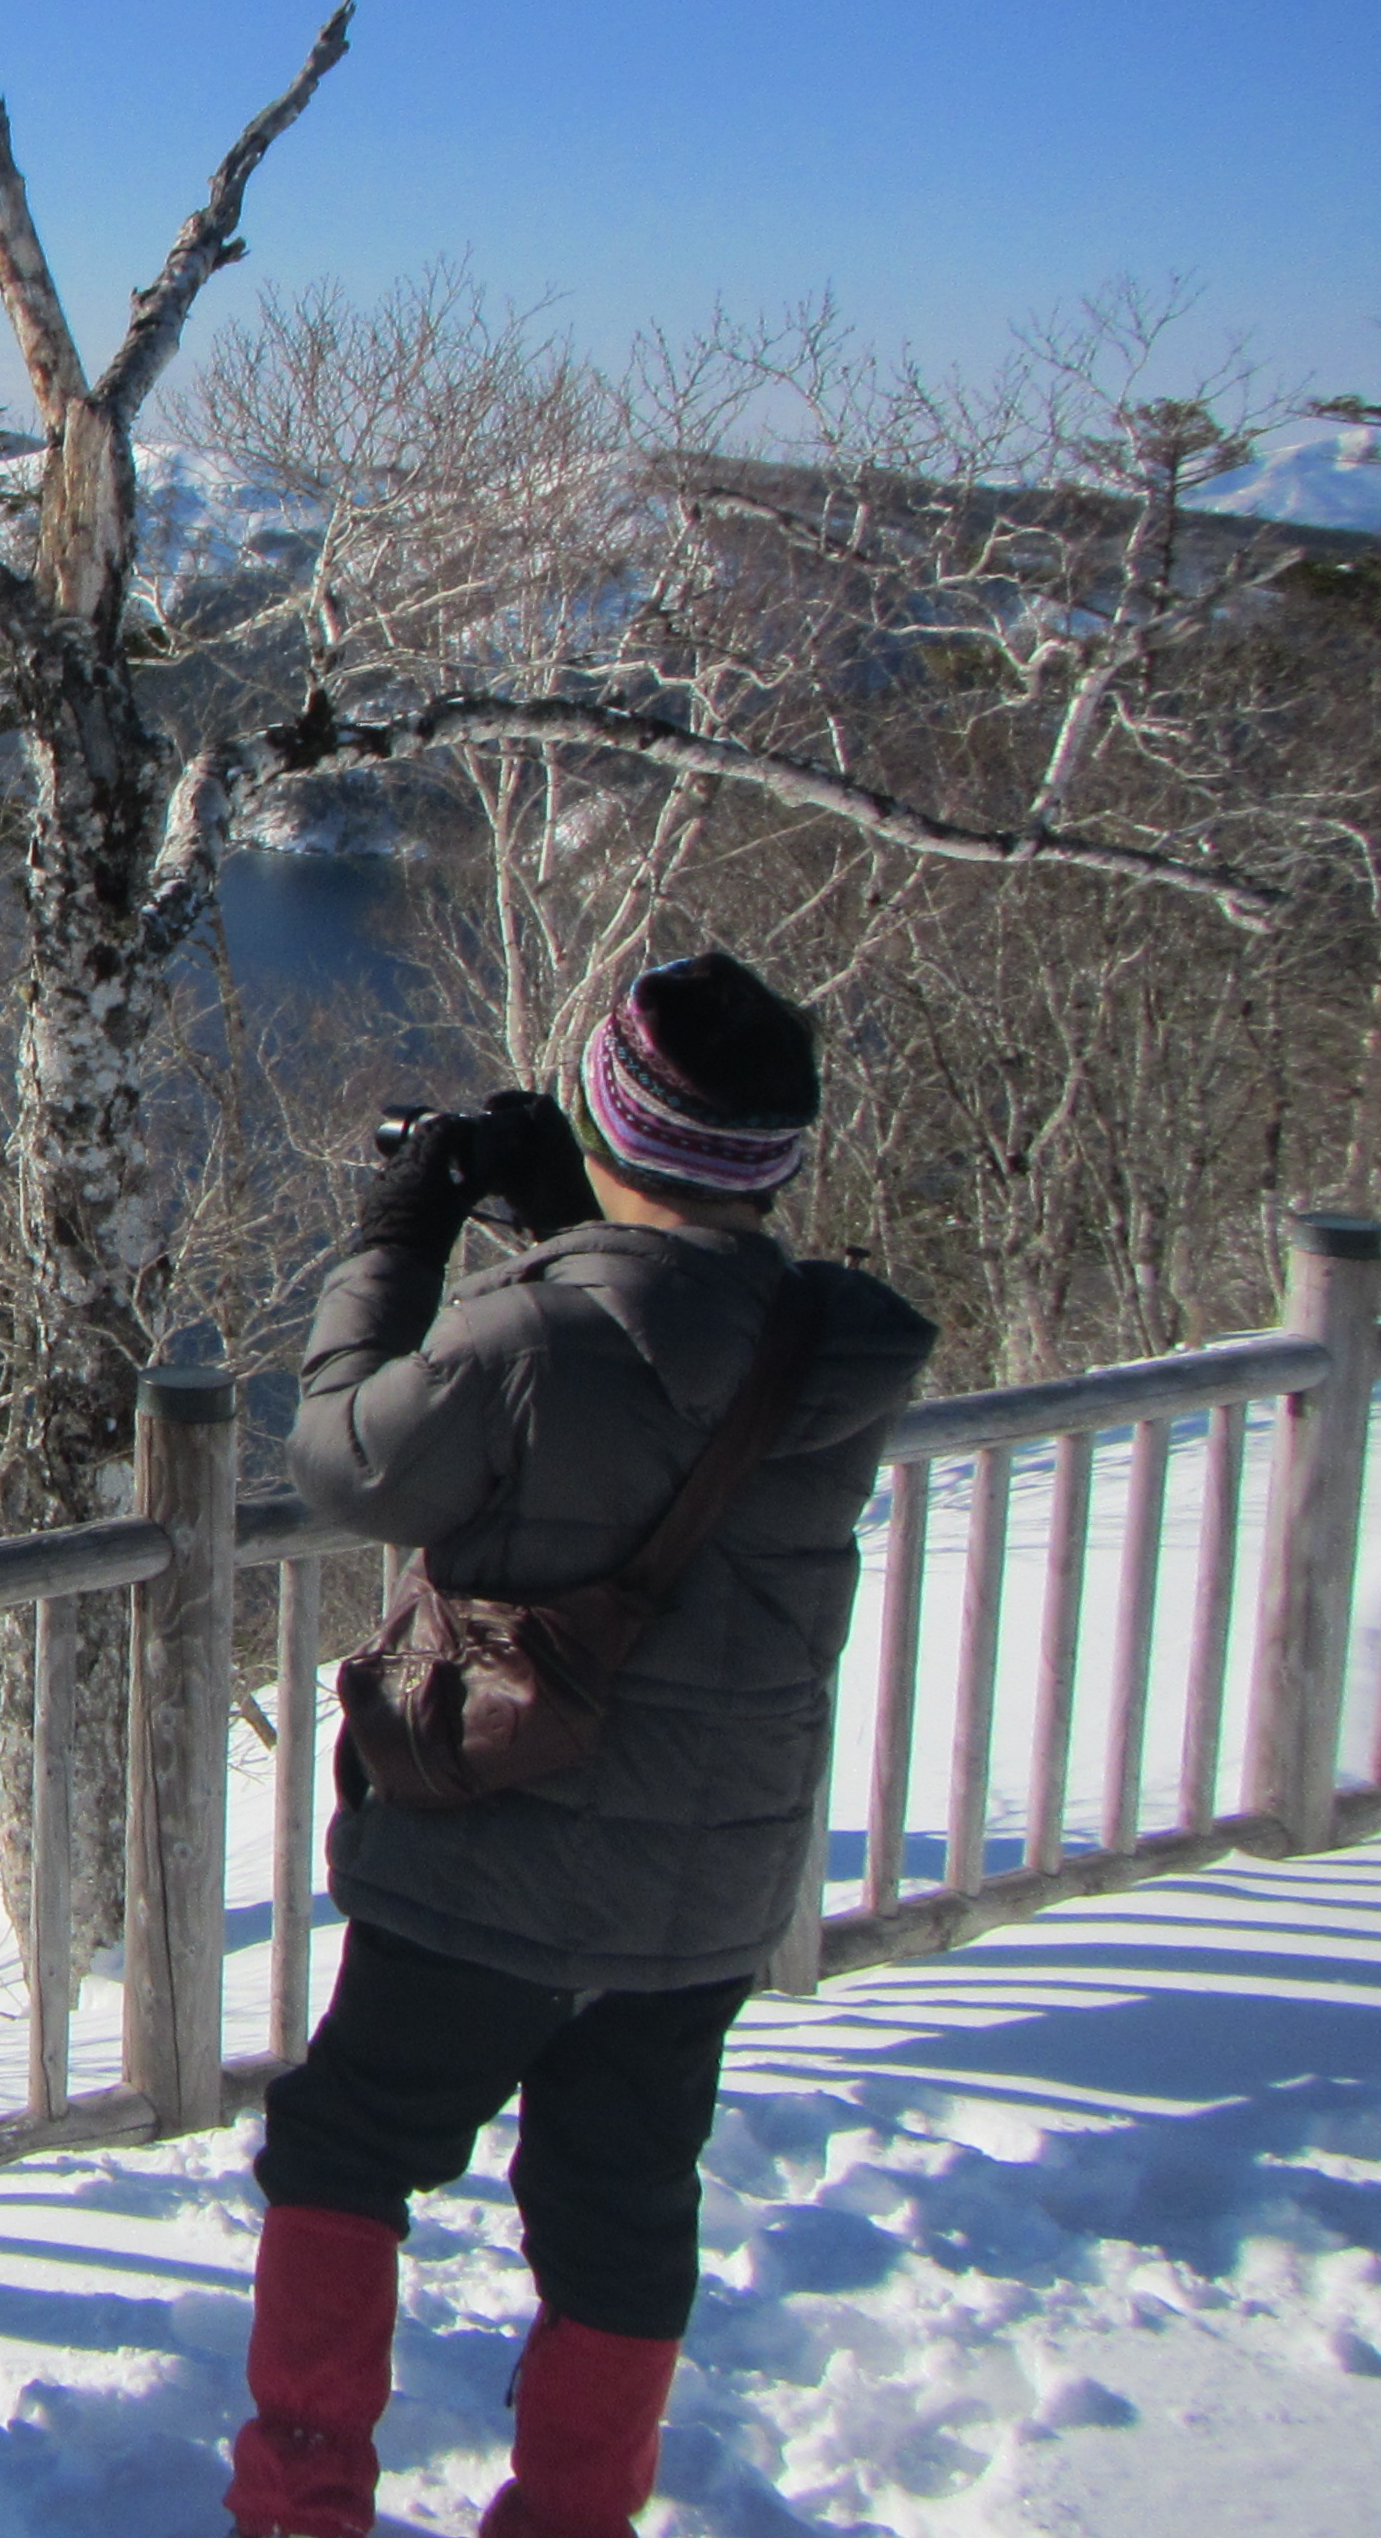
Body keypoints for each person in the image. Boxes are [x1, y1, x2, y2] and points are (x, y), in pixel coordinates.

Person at [231, 953, 936, 2538]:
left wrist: (402, 1232)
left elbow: (348, 1460)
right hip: (703, 1886)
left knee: (347, 2147)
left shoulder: (531, 1339)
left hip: (498, 1857)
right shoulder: (827, 1354)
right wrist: (587, 1224)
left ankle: (300, 2499)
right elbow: (670, 1367)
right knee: (622, 2210)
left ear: (619, 1116)